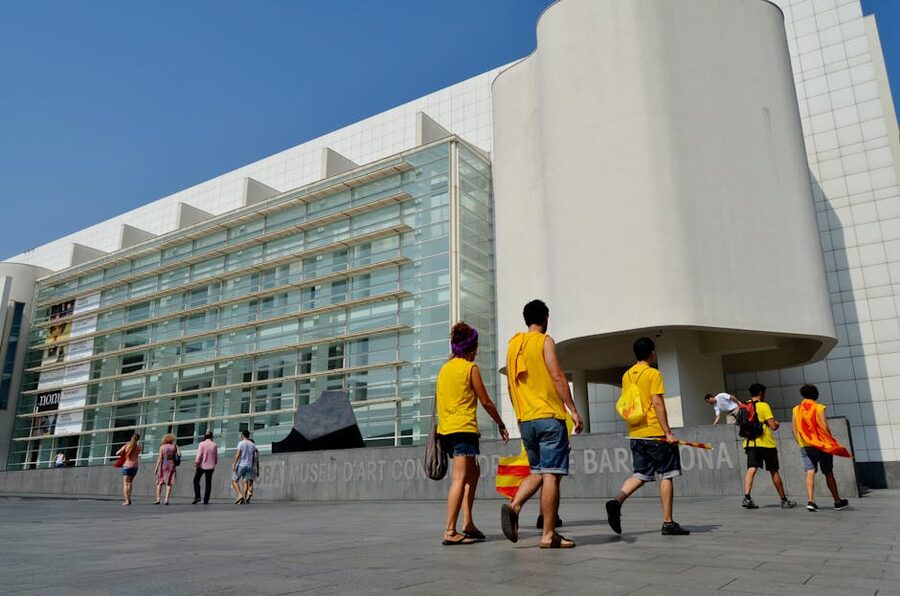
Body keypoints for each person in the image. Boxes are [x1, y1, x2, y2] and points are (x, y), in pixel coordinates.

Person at [501, 299, 583, 549]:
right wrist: (574, 410)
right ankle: (548, 534)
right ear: (545, 317)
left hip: (526, 420)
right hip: (548, 417)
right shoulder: (545, 342)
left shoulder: (513, 345)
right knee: (552, 474)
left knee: (537, 471)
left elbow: (510, 384)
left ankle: (514, 506)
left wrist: (518, 415)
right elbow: (558, 377)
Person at [606, 337, 689, 536]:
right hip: (655, 432)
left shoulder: (627, 375)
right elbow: (658, 403)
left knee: (640, 474)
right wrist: (668, 432)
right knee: (667, 474)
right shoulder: (653, 374)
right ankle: (668, 522)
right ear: (652, 352)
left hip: (635, 432)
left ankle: (617, 501)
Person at [436, 322, 509, 545]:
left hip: (446, 430)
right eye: (476, 346)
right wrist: (500, 423)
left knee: (473, 472)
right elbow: (485, 400)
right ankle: (450, 530)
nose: (477, 350)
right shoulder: (470, 369)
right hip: (463, 430)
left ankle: (468, 523)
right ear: (471, 347)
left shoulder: (444, 369)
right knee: (460, 478)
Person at [791, 384, 850, 512]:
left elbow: (794, 429)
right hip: (822, 445)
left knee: (810, 471)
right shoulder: (819, 407)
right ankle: (837, 501)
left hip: (806, 446)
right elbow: (824, 427)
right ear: (815, 395)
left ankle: (811, 501)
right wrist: (830, 442)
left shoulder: (796, 409)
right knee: (828, 473)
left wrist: (801, 442)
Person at [741, 383, 796, 510]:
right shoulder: (763, 406)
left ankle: (747, 497)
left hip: (750, 443)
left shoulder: (744, 406)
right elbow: (773, 426)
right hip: (766, 443)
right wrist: (776, 423)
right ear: (761, 393)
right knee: (773, 470)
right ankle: (783, 500)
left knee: (751, 468)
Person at [231, 430, 257, 504]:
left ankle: (239, 495)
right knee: (245, 482)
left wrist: (234, 463)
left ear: (242, 435)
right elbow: (253, 456)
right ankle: (244, 498)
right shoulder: (252, 444)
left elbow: (238, 454)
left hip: (241, 465)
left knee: (234, 481)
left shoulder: (241, 443)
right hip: (249, 466)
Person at [115, 434, 141, 506]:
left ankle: (127, 501)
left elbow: (117, 453)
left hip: (126, 465)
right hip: (135, 466)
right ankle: (129, 499)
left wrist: (123, 453)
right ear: (138, 439)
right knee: (130, 483)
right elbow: (139, 451)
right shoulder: (138, 447)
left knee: (125, 483)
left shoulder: (126, 445)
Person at [193, 431, 218, 505]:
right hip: (211, 466)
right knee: (208, 482)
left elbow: (199, 455)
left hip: (201, 466)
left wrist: (196, 463)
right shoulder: (214, 445)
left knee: (196, 480)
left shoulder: (202, 444)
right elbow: (215, 456)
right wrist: (215, 462)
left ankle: (197, 496)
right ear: (211, 436)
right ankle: (206, 499)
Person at [154, 434, 180, 505]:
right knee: (169, 483)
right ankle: (166, 499)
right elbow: (179, 454)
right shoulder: (174, 446)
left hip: (163, 465)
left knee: (160, 482)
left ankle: (158, 499)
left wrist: (156, 468)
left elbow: (160, 458)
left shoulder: (162, 447)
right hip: (172, 465)